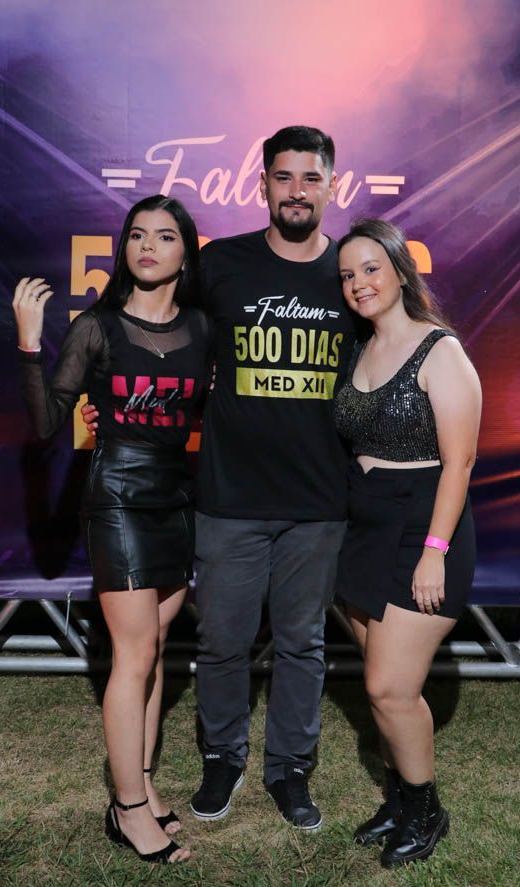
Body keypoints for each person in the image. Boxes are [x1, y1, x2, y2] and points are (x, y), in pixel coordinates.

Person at [13, 194, 213, 864]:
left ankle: (144, 786)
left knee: (155, 647)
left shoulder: (203, 329)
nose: (148, 246)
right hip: (118, 497)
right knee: (132, 654)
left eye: (164, 236)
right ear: (124, 248)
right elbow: (47, 424)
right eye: (137, 235)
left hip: (176, 498)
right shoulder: (96, 327)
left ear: (186, 252)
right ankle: (127, 811)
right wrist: (28, 342)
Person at [189, 125, 358, 830]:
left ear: (331, 186)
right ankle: (222, 757)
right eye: (283, 177)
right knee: (221, 641)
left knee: (302, 644)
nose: (296, 191)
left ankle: (289, 769)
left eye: (310, 178)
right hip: (229, 496)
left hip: (318, 501)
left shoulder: (353, 272)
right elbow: (163, 334)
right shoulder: (220, 263)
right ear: (262, 184)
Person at [333, 218, 481, 867]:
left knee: (390, 687)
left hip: (421, 525)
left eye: (370, 268)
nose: (359, 283)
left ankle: (425, 812)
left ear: (398, 270)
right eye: (347, 275)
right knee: (378, 683)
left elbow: (460, 461)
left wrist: (433, 550)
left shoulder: (439, 350)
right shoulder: (359, 349)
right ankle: (397, 800)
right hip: (363, 526)